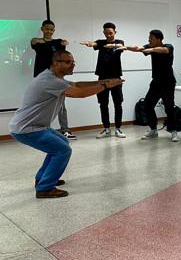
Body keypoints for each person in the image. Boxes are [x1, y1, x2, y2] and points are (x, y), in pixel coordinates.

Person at [9, 50, 123, 198]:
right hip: (26, 129)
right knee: (62, 150)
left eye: (73, 62)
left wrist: (103, 81)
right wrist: (106, 87)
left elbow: (77, 84)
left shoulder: (54, 78)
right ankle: (44, 188)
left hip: (36, 127)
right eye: (68, 62)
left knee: (61, 142)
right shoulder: (49, 80)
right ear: (56, 63)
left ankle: (42, 179)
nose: (72, 65)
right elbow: (79, 93)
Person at [120, 30, 179, 142]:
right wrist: (125, 47)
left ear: (158, 39)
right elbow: (138, 48)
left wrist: (151, 49)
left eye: (151, 38)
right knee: (147, 105)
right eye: (149, 38)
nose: (149, 40)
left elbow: (164, 50)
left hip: (168, 82)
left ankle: (174, 131)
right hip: (156, 82)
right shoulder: (149, 46)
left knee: (169, 107)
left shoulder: (168, 46)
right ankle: (153, 130)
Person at [30, 19, 76, 140]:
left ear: (53, 30)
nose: (49, 31)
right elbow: (34, 41)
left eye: (51, 29)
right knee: (40, 105)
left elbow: (64, 50)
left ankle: (65, 130)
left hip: (56, 78)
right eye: (47, 29)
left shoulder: (58, 43)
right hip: (41, 79)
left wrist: (62, 43)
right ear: (42, 29)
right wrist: (49, 43)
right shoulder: (36, 41)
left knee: (61, 105)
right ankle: (39, 129)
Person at [80, 22, 126, 138]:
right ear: (103, 33)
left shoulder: (119, 42)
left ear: (115, 32)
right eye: (106, 33)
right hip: (102, 78)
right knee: (103, 104)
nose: (108, 35)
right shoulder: (101, 42)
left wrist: (113, 46)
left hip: (115, 78)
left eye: (110, 33)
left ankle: (118, 129)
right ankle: (106, 129)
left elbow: (121, 47)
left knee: (118, 104)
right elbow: (94, 43)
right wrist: (90, 43)